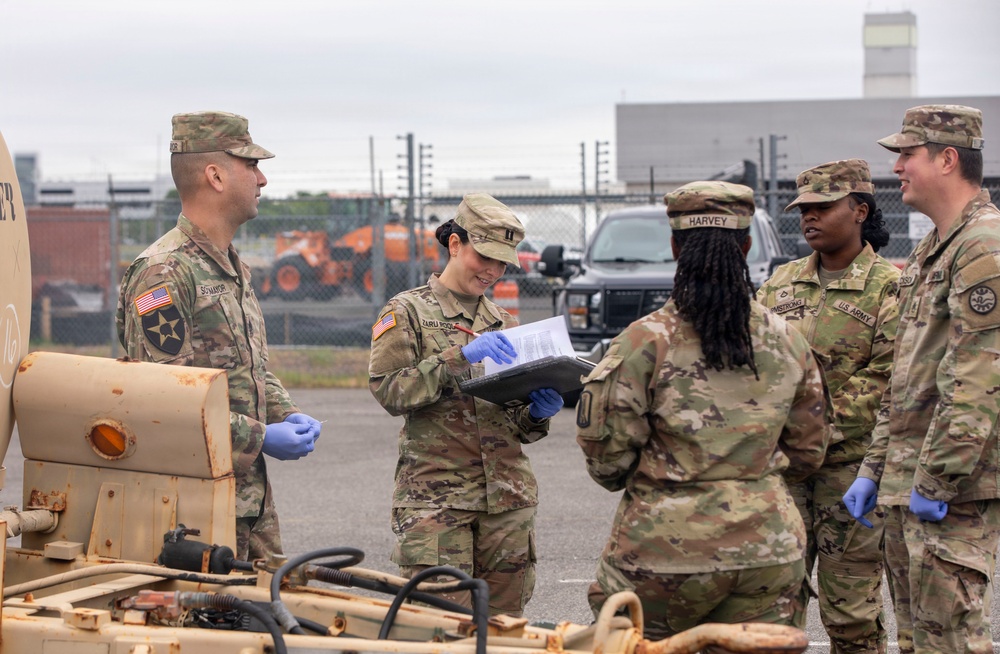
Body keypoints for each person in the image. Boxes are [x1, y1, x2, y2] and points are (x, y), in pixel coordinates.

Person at [577, 180, 829, 640]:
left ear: (676, 248)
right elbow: (809, 451)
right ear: (746, 246)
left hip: (661, 555)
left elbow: (607, 462)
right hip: (767, 551)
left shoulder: (642, 341)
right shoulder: (789, 340)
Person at [117, 111, 322, 562]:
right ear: (215, 176)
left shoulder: (230, 266)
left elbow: (248, 369)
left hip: (248, 501)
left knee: (267, 605)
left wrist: (287, 413)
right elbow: (162, 398)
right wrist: (260, 437)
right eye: (251, 165)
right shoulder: (164, 272)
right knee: (207, 607)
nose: (262, 179)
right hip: (192, 509)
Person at [843, 104, 1000, 654]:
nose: (897, 168)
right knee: (917, 641)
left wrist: (937, 480)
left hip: (950, 492)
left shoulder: (983, 245)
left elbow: (979, 381)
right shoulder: (934, 248)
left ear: (947, 159)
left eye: (907, 154)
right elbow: (906, 376)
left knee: (951, 641)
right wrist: (874, 469)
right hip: (906, 486)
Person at [368, 193, 564, 617]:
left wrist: (536, 413)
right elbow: (389, 390)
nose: (492, 270)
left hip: (507, 502)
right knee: (442, 627)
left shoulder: (505, 322)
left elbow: (514, 420)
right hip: (437, 502)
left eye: (502, 263)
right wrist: (459, 358)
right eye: (485, 257)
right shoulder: (407, 311)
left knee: (506, 630)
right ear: (455, 244)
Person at [757, 159, 899, 653]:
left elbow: (887, 378)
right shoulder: (779, 284)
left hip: (852, 475)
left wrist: (811, 426)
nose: (809, 217)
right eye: (803, 210)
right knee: (772, 610)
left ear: (860, 210)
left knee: (851, 616)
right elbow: (753, 361)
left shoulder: (890, 287)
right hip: (784, 474)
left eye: (822, 207)